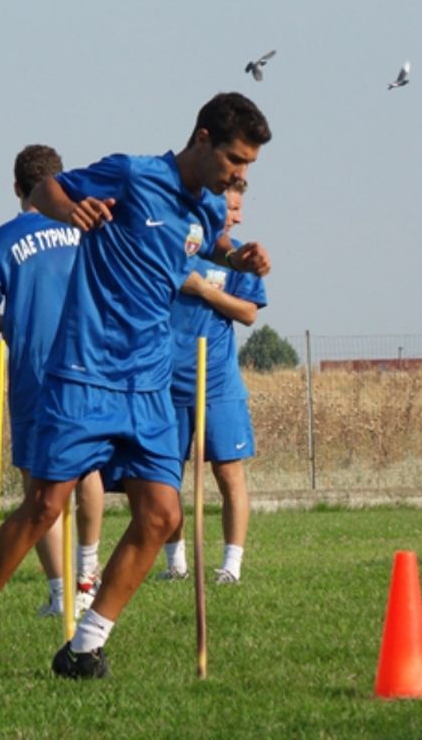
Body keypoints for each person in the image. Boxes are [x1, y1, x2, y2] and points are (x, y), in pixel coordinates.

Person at [0, 92, 272, 683]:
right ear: (202, 139)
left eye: (247, 166)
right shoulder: (132, 173)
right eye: (233, 160)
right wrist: (69, 212)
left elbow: (203, 244)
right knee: (46, 505)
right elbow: (48, 191)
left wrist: (240, 260)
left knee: (161, 516)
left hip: (147, 383)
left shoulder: (203, 208)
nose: (239, 175)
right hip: (85, 372)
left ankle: (85, 646)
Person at [0, 144, 104, 619]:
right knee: (88, 470)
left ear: (17, 188)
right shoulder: (84, 230)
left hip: (32, 371)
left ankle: (62, 591)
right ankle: (89, 574)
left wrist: (16, 320)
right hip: (88, 363)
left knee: (39, 487)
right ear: (58, 184)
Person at [157, 177, 266, 585]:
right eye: (231, 209)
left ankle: (230, 567)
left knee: (228, 473)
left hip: (217, 383)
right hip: (166, 382)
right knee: (165, 478)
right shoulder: (176, 247)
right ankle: (176, 564)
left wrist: (204, 290)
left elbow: (249, 312)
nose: (237, 217)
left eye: (239, 209)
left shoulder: (241, 257)